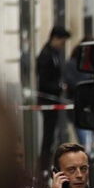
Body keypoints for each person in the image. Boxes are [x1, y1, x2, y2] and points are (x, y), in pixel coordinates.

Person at [36, 25, 71, 172]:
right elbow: (44, 81)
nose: (62, 46)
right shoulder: (46, 55)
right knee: (48, 135)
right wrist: (59, 87)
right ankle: (43, 167)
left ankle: (47, 164)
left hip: (54, 100)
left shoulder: (54, 53)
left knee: (51, 135)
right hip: (48, 100)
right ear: (55, 38)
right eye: (62, 42)